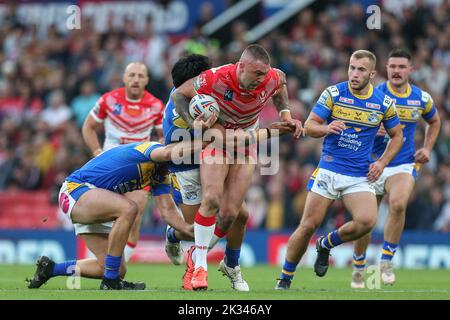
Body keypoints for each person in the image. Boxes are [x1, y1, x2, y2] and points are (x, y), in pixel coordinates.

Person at [172, 44, 303, 290]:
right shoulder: (214, 78)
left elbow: (281, 82)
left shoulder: (271, 77)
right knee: (211, 199)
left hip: (245, 142)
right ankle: (200, 268)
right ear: (240, 66)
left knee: (231, 214)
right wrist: (194, 125)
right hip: (218, 139)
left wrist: (285, 114)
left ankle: (207, 258)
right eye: (256, 74)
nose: (261, 80)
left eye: (264, 75)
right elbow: (178, 94)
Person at [274, 50, 404, 290]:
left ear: (372, 74)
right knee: (308, 225)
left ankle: (325, 244)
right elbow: (309, 126)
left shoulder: (384, 103)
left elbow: (398, 136)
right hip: (329, 169)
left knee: (367, 221)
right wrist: (326, 128)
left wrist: (382, 162)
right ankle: (285, 278)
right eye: (352, 68)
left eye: (361, 70)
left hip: (358, 175)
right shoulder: (334, 93)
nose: (354, 74)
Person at [26, 135, 212, 290]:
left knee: (112, 267)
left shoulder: (159, 175)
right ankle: (110, 282)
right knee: (129, 208)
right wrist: (207, 142)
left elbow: (168, 212)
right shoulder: (151, 149)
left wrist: (196, 232)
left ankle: (50, 269)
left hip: (95, 199)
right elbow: (168, 152)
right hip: (76, 190)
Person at [350, 48, 441, 288]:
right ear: (386, 69)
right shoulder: (375, 95)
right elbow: (353, 125)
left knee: (399, 203)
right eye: (392, 67)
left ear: (410, 70)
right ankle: (359, 264)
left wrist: (428, 148)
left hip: (402, 162)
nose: (397, 71)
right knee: (366, 220)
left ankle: (386, 261)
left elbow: (435, 121)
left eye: (402, 67)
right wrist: (371, 127)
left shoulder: (421, 98)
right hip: (370, 163)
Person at [163, 54, 251, 291]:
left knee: (238, 215)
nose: (210, 80)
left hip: (208, 159)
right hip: (186, 167)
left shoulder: (200, 96)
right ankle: (174, 236)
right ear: (194, 80)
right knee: (195, 230)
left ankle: (231, 265)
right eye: (204, 76)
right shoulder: (192, 103)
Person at [82, 62, 165, 261]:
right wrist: (97, 152)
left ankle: (119, 268)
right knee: (104, 214)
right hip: (109, 166)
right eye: (132, 75)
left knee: (135, 216)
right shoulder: (109, 100)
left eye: (140, 76)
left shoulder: (156, 106)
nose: (136, 79)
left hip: (140, 168)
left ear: (146, 80)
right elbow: (88, 127)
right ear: (124, 78)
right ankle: (100, 259)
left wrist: (157, 154)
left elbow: (164, 138)